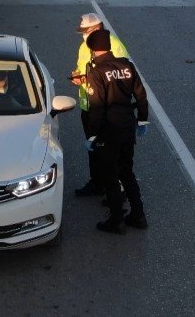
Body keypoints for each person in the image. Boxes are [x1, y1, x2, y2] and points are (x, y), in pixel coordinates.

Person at [84, 29, 148, 234]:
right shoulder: (127, 66)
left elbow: (97, 106)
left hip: (109, 129)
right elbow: (141, 95)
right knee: (127, 171)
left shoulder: (97, 72)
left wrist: (92, 134)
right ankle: (138, 214)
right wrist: (143, 120)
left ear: (93, 50)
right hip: (128, 126)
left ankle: (116, 219)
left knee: (110, 175)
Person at [69, 13, 129, 197]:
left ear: (97, 28)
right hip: (89, 106)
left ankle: (117, 191)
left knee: (111, 153)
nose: (83, 35)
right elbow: (82, 69)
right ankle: (97, 183)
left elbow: (123, 76)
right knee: (94, 149)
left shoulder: (114, 46)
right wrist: (77, 76)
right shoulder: (84, 46)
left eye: (85, 31)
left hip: (107, 109)